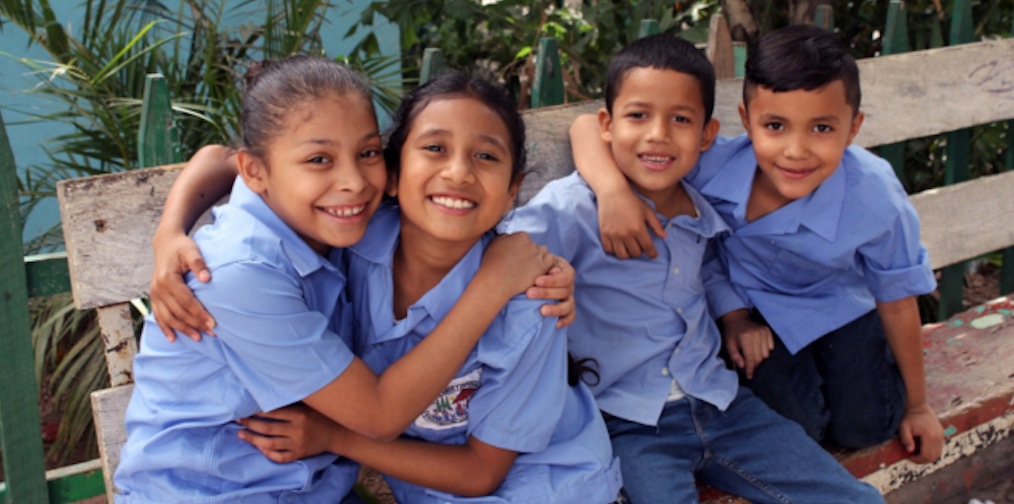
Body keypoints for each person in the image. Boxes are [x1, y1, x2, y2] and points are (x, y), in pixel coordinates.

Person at [116, 56, 574, 503]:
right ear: (256, 172)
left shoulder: (320, 221)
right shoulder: (238, 273)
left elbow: (216, 158)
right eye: (319, 158)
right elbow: (377, 415)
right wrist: (493, 284)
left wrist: (170, 228)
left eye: (368, 153)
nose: (354, 181)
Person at [505, 34, 886, 503]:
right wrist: (604, 198)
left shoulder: (701, 211)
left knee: (853, 498)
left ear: (707, 135)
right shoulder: (575, 208)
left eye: (680, 119)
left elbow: (704, 271)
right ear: (608, 124)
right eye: (638, 115)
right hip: (628, 423)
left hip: (724, 405)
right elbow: (501, 250)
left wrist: (734, 317)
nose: (658, 134)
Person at [224, 74, 624, 503]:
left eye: (486, 155)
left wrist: (333, 437)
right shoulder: (349, 244)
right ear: (391, 175)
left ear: (511, 192)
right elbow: (232, 162)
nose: (458, 172)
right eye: (435, 148)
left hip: (545, 489)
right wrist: (171, 233)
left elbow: (481, 474)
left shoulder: (531, 303)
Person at [568, 25, 945, 462]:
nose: (796, 150)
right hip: (755, 317)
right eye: (776, 126)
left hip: (843, 309)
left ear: (853, 127)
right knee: (800, 431)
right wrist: (613, 191)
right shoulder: (708, 165)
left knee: (864, 427)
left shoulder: (875, 195)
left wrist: (918, 407)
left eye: (821, 127)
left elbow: (897, 299)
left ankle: (871, 371)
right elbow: (585, 127)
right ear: (747, 121)